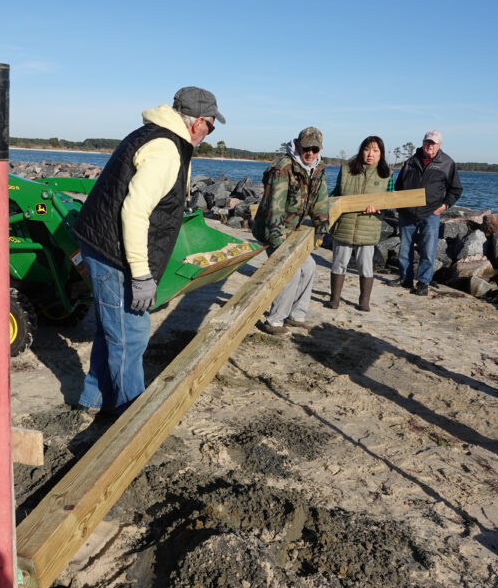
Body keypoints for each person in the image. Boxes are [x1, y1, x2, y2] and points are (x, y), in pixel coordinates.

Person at [72, 86, 223, 413]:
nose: (211, 132)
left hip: (101, 241)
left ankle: (93, 398)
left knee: (111, 328)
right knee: (131, 336)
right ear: (197, 121)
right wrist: (141, 274)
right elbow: (135, 212)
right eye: (211, 124)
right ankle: (129, 422)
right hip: (112, 251)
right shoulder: (165, 149)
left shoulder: (156, 136)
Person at [252, 127, 329, 334]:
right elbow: (273, 208)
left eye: (315, 149)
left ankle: (297, 316)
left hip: (292, 231)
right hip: (271, 229)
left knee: (309, 266)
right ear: (298, 145)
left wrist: (322, 227)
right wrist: (278, 243)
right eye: (306, 148)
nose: (310, 153)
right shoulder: (283, 167)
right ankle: (275, 320)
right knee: (290, 271)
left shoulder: (317, 169)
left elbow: (320, 202)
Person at [390, 129, 463, 296]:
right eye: (427, 142)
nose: (429, 145)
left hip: (431, 213)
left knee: (428, 249)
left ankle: (423, 282)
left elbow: (456, 189)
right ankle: (405, 277)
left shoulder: (447, 163)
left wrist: (444, 206)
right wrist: (401, 205)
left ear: (439, 145)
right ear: (423, 142)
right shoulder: (410, 161)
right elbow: (399, 186)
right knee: (404, 248)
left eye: (433, 143)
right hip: (407, 212)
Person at [327, 135, 394, 311]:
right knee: (338, 263)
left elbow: (391, 200)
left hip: (369, 226)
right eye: (367, 149)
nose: (370, 154)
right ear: (361, 151)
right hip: (345, 224)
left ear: (381, 154)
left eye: (375, 150)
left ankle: (364, 301)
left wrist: (380, 209)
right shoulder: (347, 169)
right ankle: (334, 299)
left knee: (365, 266)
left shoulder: (387, 175)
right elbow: (336, 192)